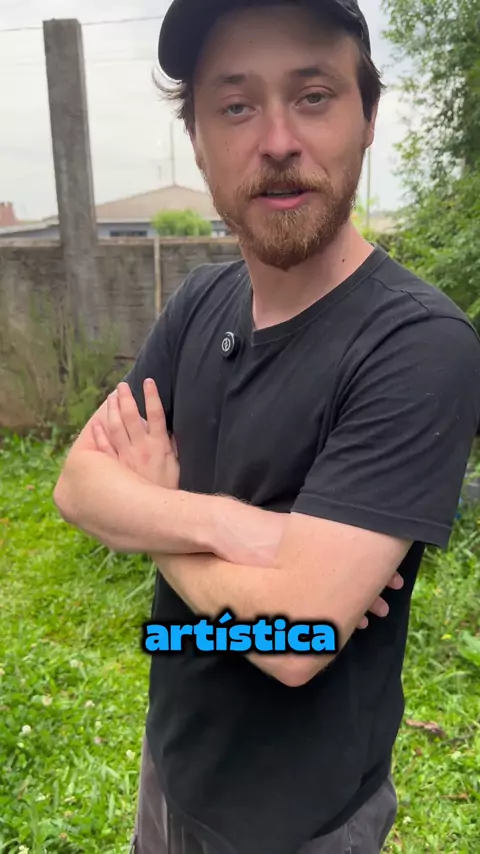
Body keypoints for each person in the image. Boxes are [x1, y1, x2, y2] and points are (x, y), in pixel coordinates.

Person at [53, 1, 480, 852]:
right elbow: (77, 485)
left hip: (303, 824)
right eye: (236, 105)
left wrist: (156, 518)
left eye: (314, 96)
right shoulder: (197, 303)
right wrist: (237, 528)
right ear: (198, 141)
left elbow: (298, 640)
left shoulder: (417, 345)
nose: (278, 140)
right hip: (171, 766)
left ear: (367, 119)